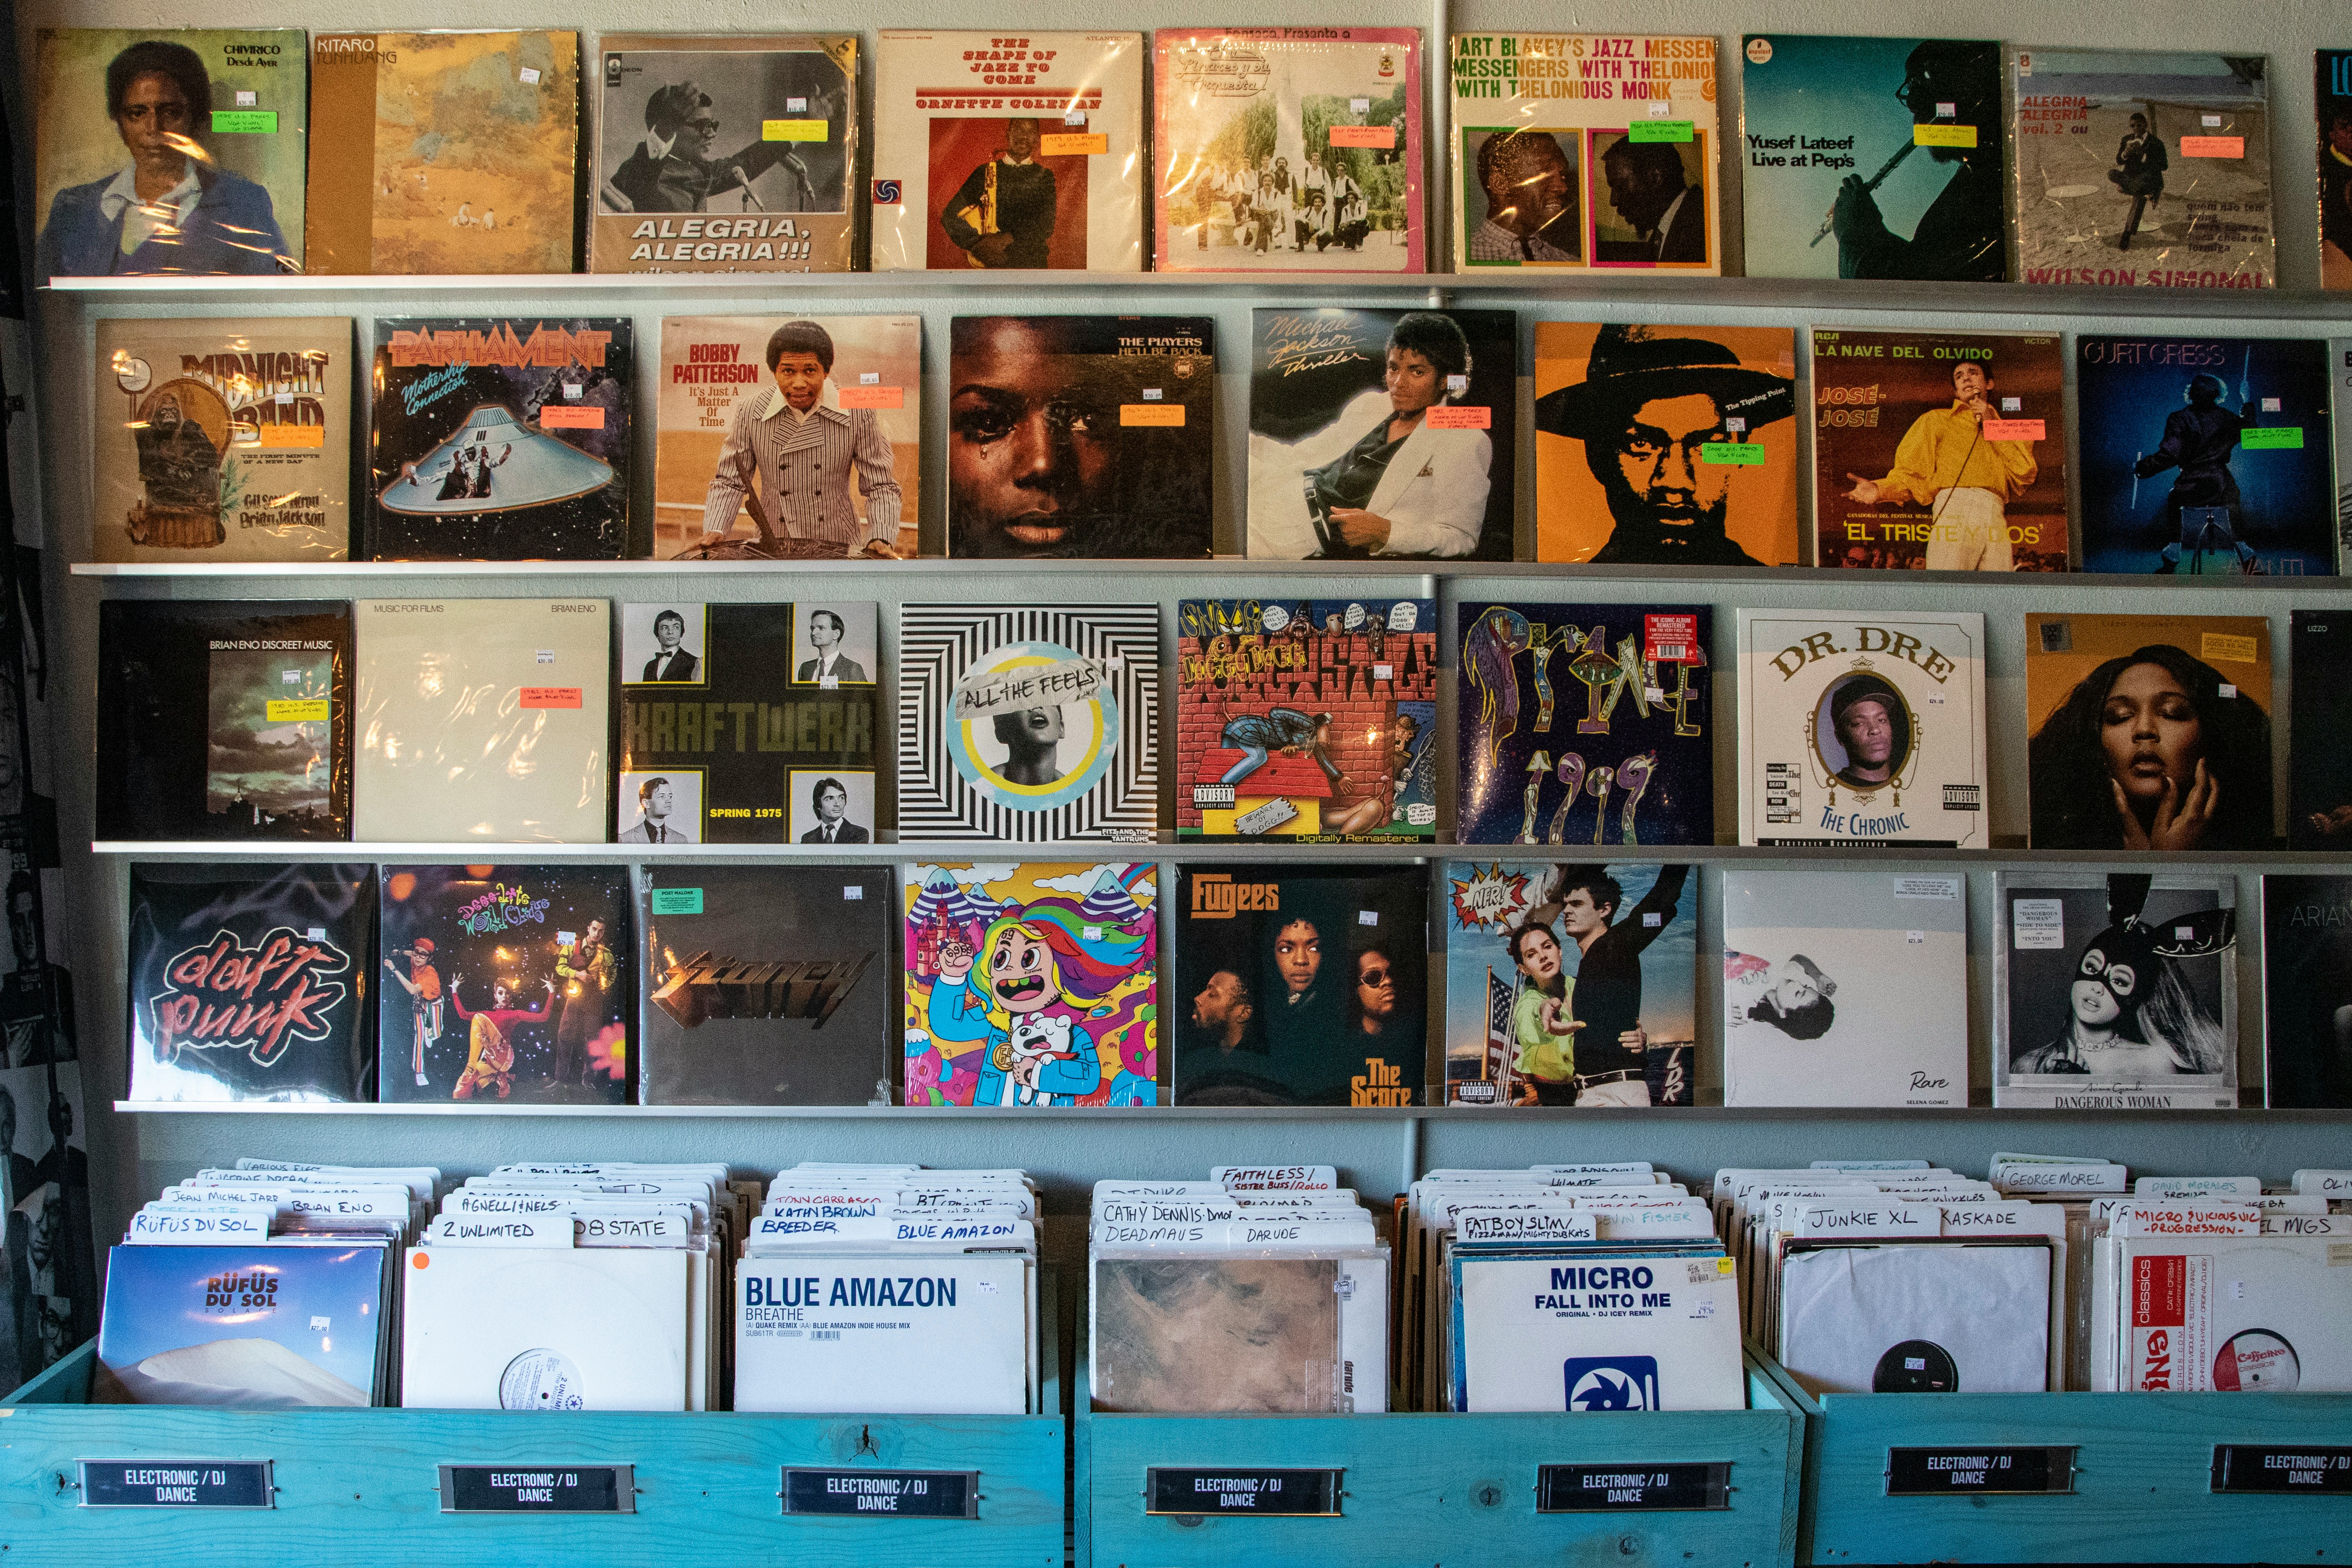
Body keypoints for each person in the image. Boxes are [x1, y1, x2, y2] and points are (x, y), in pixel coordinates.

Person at [1533, 324, 1796, 564]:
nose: (1677, 482)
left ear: (1738, 452)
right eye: (1642, 444)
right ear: (1598, 456)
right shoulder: (1579, 592)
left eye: (1705, 444)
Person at [37, 39, 293, 279]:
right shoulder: (72, 208)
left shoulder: (245, 203)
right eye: (137, 113)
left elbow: (276, 295)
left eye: (171, 112)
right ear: (119, 122)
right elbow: (46, 304)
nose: (154, 128)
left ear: (196, 117)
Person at [1255, 313, 1491, 559]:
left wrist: (1386, 533)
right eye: (1394, 368)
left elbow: (1461, 538)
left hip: (1301, 535)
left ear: (1445, 380)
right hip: (1279, 492)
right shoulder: (1371, 406)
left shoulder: (1464, 439)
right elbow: (1302, 455)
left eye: (1417, 372)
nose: (1399, 383)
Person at [2026, 642, 2273, 851]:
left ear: (2212, 735)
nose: (2144, 730)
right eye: (2120, 716)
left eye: (2172, 713)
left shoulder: (2261, 845)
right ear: (2094, 741)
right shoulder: (2050, 841)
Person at [701, 320, 904, 558]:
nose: (799, 383)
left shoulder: (858, 409)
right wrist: (716, 529)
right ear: (774, 371)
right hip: (773, 545)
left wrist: (881, 536)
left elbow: (880, 485)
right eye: (788, 371)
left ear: (826, 371)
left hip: (838, 546)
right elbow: (730, 481)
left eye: (810, 371)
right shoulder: (750, 411)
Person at [1827, 40, 2004, 281]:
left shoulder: (1991, 183)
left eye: (1924, 81)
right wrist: (1866, 229)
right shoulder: (1984, 175)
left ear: (1974, 89)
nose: (1912, 104)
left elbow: (1912, 292)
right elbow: (1926, 265)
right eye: (1911, 88)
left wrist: (1855, 233)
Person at [1842, 358, 2036, 570]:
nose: (1967, 378)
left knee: (1999, 593)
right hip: (1955, 506)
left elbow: (2025, 472)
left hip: (1995, 511)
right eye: (1959, 376)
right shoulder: (1934, 420)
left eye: (1973, 372)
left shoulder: (2012, 428)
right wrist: (1880, 490)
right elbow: (1910, 473)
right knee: (1949, 584)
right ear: (1956, 391)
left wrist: (1992, 425)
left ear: (1989, 383)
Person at [923, 908, 1129, 1106]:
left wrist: (1037, 1073)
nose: (1012, 969)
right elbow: (947, 1025)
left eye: (1029, 958)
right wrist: (952, 976)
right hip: (989, 1123)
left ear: (1065, 969)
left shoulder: (1073, 1035)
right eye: (1001, 959)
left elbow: (1089, 1078)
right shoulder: (999, 1024)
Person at [2012, 915, 2226, 1078]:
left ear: (2135, 997)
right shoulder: (2029, 1064)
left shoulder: (2154, 1061)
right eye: (2092, 967)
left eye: (2120, 981)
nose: (2098, 988)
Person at [1554, 864, 1686, 1106]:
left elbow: (1660, 901)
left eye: (1577, 904)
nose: (1566, 911)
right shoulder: (1589, 962)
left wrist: (1684, 849)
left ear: (1604, 909)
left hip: (1615, 1092)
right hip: (1590, 1091)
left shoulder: (1617, 944)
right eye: (1565, 905)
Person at [603, 80, 819, 215]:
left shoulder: (700, 171)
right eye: (702, 126)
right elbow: (645, 165)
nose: (712, 134)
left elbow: (746, 162)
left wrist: (807, 125)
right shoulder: (637, 172)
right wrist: (665, 129)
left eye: (713, 125)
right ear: (671, 125)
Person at [2134, 373, 2264, 574]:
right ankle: (2247, 557)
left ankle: (2172, 557)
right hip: (2221, 485)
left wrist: (2143, 468)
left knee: (2174, 499)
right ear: (2217, 394)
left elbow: (2169, 455)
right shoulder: (2227, 418)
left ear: (2192, 393)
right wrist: (2246, 399)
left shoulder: (2179, 419)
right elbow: (2253, 433)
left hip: (2191, 486)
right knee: (2233, 496)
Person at [941, 116, 1057, 268]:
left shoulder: (1045, 176)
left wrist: (1004, 239)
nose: (1023, 137)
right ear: (1008, 134)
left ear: (1036, 139)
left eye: (1030, 132)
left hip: (1032, 262)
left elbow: (1046, 225)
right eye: (1019, 130)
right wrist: (977, 244)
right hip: (990, 261)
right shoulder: (985, 172)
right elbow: (950, 215)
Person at [1466, 131, 1579, 263]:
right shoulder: (1468, 259)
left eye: (1562, 175)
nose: (1563, 188)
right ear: (1500, 184)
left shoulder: (1568, 262)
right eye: (1546, 174)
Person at [1506, 922, 1583, 1105]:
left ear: (1560, 951)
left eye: (1547, 946)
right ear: (1523, 968)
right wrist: (1543, 1010)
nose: (1543, 956)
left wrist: (1641, 1038)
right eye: (1531, 955)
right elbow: (1527, 1018)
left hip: (1595, 1091)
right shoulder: (1528, 1003)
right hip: (1555, 1100)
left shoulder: (1584, 987)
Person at [447, 974, 554, 1101]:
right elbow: (463, 1015)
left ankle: (472, 1066)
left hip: (504, 1055)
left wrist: (552, 992)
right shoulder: (488, 1015)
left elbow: (544, 1017)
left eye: (507, 993)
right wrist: (454, 990)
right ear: (495, 996)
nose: (504, 996)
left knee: (479, 1018)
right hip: (491, 1060)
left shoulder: (515, 1014)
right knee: (463, 1088)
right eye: (501, 993)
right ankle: (494, 1078)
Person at [1599, 136, 1704, 264]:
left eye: (1621, 186)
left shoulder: (1701, 229)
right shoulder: (1667, 232)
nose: (1613, 201)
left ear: (1655, 177)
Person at [553, 920, 619, 1090]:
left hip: (593, 1001)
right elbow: (560, 968)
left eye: (601, 931)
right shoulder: (571, 946)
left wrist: (604, 985)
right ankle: (561, 1080)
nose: (597, 934)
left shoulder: (606, 953)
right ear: (588, 928)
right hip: (573, 1000)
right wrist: (577, 974)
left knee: (592, 1041)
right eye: (595, 929)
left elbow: (613, 972)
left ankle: (588, 1081)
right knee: (565, 1036)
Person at [1217, 708, 1342, 790]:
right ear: (1322, 725)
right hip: (1250, 730)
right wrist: (1289, 743)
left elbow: (1322, 760)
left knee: (1223, 764)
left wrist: (1339, 778)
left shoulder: (1312, 742)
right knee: (1259, 757)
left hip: (1235, 731)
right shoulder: (1308, 723)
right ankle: (1222, 788)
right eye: (1326, 726)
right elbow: (1275, 713)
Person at [1824, 674, 1908, 790]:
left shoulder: (1910, 782)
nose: (1875, 730)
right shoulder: (1833, 788)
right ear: (1840, 738)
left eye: (1881, 720)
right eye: (1860, 723)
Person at [381, 939, 443, 1088]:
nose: (418, 957)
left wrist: (394, 969)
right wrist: (400, 952)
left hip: (434, 1004)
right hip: (419, 1004)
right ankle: (420, 1072)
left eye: (423, 955)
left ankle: (431, 1033)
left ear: (429, 958)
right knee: (420, 1037)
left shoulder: (430, 974)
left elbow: (412, 989)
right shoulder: (415, 958)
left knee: (436, 1034)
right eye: (417, 953)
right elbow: (412, 954)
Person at [2107, 112, 2168, 250]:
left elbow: (2164, 166)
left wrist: (2144, 156)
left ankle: (2127, 234)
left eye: (2139, 125)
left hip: (2148, 180)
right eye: (2132, 126)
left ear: (2146, 125)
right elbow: (2119, 161)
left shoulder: (2156, 143)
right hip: (2132, 179)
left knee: (2140, 195)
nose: (2135, 129)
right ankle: (2151, 194)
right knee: (2111, 173)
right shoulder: (2127, 140)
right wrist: (2125, 154)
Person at [1745, 955, 1837, 1040]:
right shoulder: (1779, 984)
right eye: (1805, 986)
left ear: (1784, 1013)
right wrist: (1818, 977)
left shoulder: (1743, 1011)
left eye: (1798, 993)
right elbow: (1797, 961)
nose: (1798, 983)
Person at [992, 706, 1065, 787]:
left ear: (1061, 728)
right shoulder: (984, 786)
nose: (1037, 706)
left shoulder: (1071, 793)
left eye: (1048, 701)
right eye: (1021, 703)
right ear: (1002, 733)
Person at [796, 608, 868, 682]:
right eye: (813, 629)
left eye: (821, 628)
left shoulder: (852, 669)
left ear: (836, 634)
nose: (814, 633)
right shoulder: (805, 668)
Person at [2323, 106, 2352, 282]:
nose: (2351, 131)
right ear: (2332, 135)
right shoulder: (2323, 167)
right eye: (2344, 126)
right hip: (2337, 249)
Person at [619, 777, 693, 844]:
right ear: (646, 803)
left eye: (670, 796)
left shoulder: (681, 840)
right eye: (662, 796)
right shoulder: (625, 839)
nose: (669, 801)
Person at [799, 776, 868, 843]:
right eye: (830, 799)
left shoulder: (859, 834)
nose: (838, 804)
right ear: (818, 805)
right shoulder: (808, 838)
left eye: (841, 798)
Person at [640, 609, 698, 682]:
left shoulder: (694, 662)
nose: (670, 632)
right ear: (657, 634)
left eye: (676, 627)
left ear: (681, 632)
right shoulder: (650, 666)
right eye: (665, 628)